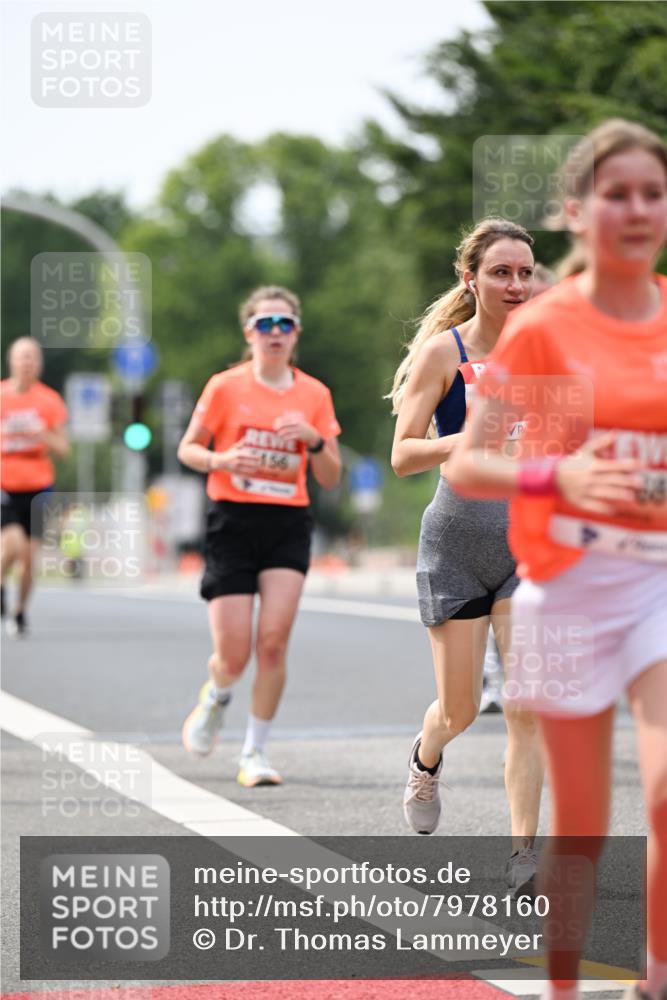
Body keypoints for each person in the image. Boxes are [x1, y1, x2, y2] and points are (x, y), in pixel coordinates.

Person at [447, 120, 667, 1000]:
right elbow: (469, 461)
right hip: (565, 592)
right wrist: (559, 470)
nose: (637, 209)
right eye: (616, 193)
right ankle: (565, 983)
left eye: (652, 193)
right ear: (577, 212)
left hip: (655, 582)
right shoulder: (547, 331)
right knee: (580, 824)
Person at [389, 218, 545, 893]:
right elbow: (401, 456)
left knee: (525, 705)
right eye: (500, 272)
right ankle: (426, 758)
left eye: (524, 272)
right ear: (470, 278)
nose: (515, 285)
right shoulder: (442, 355)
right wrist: (467, 438)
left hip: (528, 545)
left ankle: (521, 857)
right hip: (456, 544)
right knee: (458, 710)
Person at [178, 285, 342, 787]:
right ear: (249, 332)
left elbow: (331, 475)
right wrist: (221, 460)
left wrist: (313, 441)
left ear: (296, 334)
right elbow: (188, 449)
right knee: (234, 653)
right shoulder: (225, 387)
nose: (275, 333)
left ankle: (254, 752)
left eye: (285, 324)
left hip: (286, 524)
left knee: (272, 643)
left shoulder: (313, 394)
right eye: (265, 325)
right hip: (231, 520)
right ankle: (217, 693)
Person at [1, 337, 69, 636]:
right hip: (4, 483)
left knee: (29, 558)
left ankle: (19, 611)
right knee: (11, 544)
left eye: (33, 358)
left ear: (39, 364)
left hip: (39, 485)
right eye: (22, 357)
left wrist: (43, 433)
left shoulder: (49, 401)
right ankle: (2, 585)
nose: (28, 363)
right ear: (12, 361)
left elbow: (64, 449)